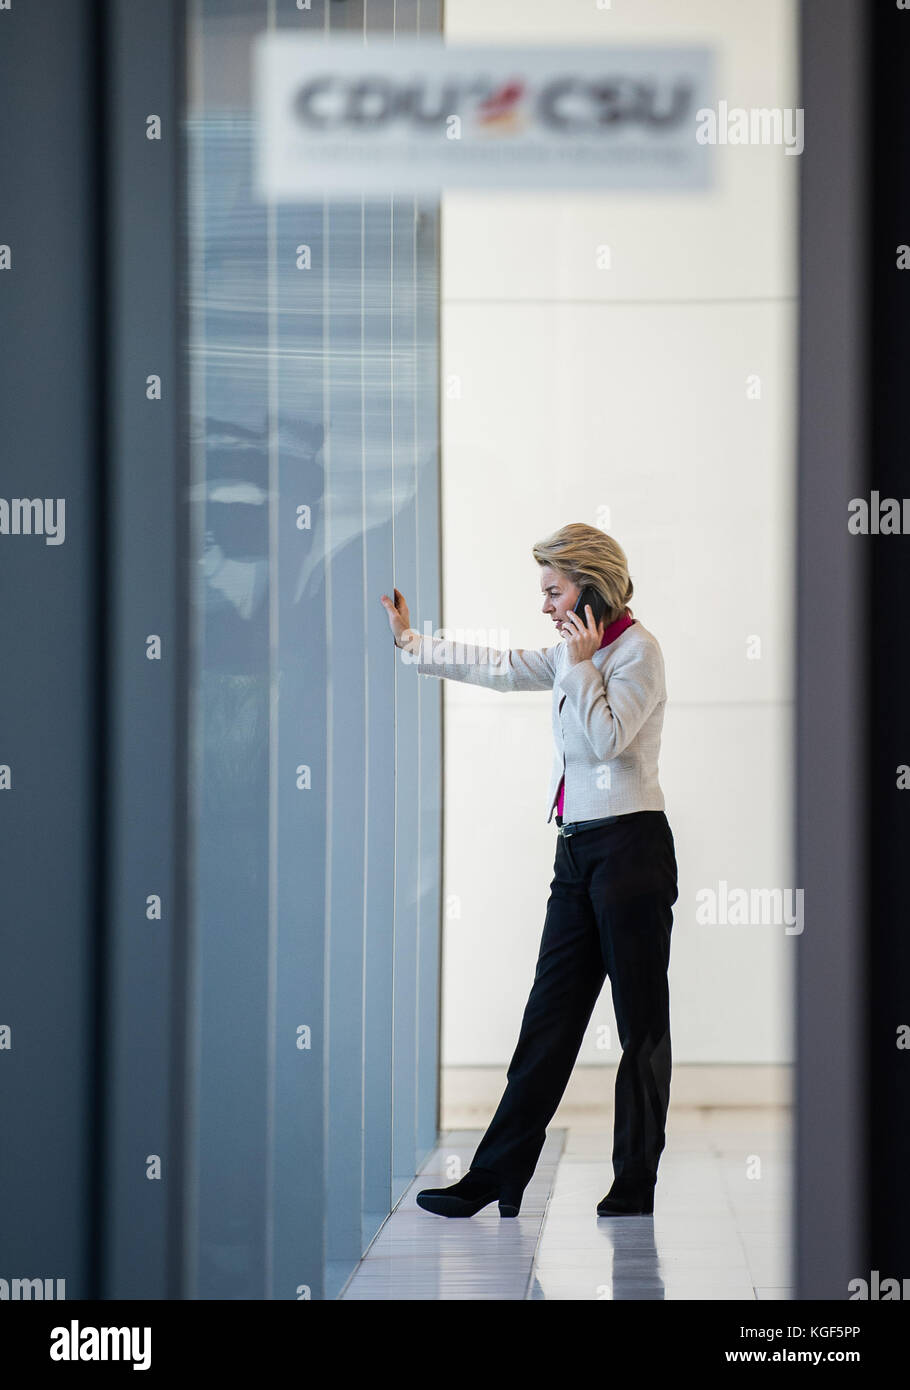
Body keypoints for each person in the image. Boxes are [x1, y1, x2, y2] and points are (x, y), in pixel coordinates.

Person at [380, 522, 678, 1219]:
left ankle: (634, 1182)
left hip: (632, 849)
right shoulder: (573, 650)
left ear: (589, 585)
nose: (545, 606)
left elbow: (608, 742)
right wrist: (412, 644)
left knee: (641, 1028)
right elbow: (500, 665)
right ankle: (496, 1174)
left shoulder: (639, 652)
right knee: (547, 1020)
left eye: (553, 591)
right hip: (575, 852)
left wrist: (578, 666)